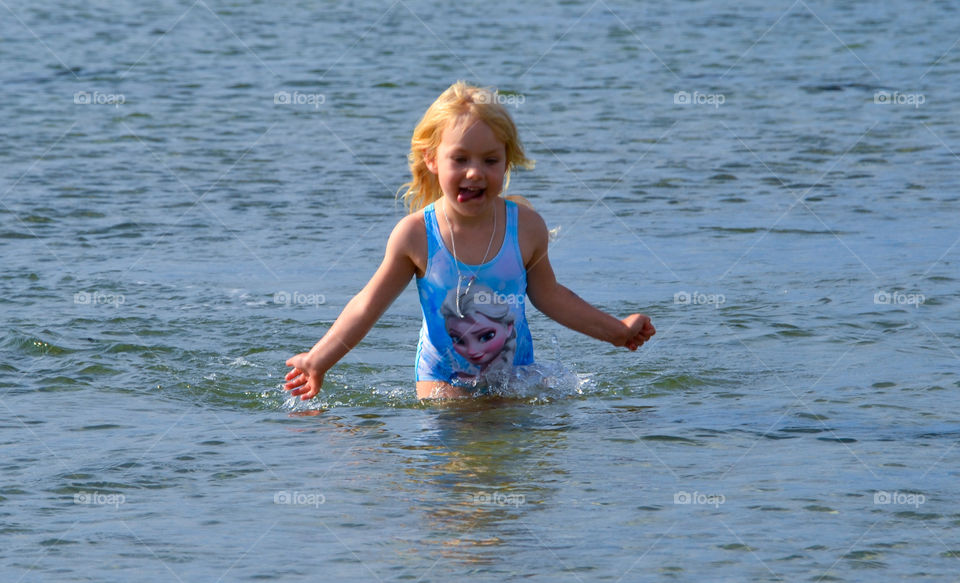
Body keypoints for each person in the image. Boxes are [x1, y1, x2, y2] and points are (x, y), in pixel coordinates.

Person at [285, 81, 655, 400]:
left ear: (507, 162)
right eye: (459, 159)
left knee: (518, 458)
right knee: (458, 441)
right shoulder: (417, 235)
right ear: (432, 160)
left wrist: (616, 332)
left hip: (514, 377)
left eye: (490, 160)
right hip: (442, 380)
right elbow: (367, 305)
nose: (474, 172)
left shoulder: (525, 228)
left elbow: (552, 297)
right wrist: (318, 360)